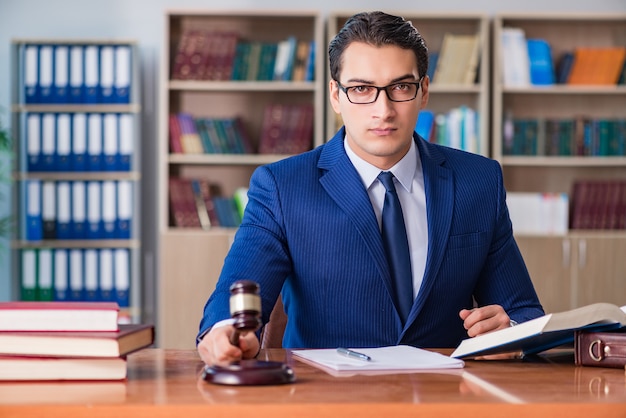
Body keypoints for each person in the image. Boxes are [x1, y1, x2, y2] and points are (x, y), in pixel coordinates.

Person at [197, 11, 544, 367]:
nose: (383, 110)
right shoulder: (283, 187)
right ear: (336, 95)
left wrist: (512, 331)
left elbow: (524, 311)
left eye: (401, 87)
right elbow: (238, 287)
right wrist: (225, 331)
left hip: (445, 395)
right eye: (362, 89)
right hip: (328, 397)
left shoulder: (478, 181)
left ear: (423, 92)